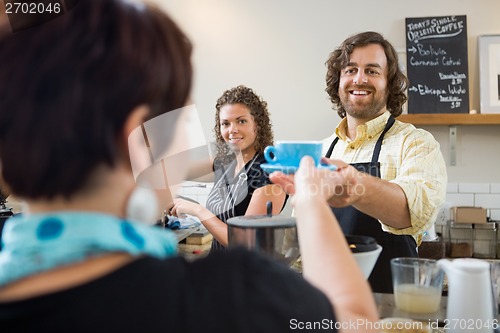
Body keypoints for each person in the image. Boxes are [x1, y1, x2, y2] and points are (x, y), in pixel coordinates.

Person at [0, 1, 379, 332]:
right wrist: (313, 199)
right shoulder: (235, 300)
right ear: (132, 131)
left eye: (240, 122)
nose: (228, 131)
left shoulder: (263, 167)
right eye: (185, 118)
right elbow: (358, 321)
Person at [272, 31, 447, 294]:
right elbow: (301, 238)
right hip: (322, 303)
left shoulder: (414, 143)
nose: (360, 78)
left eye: (372, 71)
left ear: (389, 82)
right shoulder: (319, 150)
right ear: (339, 81)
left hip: (387, 308)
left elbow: (413, 211)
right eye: (351, 69)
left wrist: (352, 184)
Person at [169, 85, 288, 252]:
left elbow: (245, 243)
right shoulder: (226, 163)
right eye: (225, 123)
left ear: (257, 124)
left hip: (247, 275)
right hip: (220, 270)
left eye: (241, 121)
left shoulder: (270, 173)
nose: (232, 130)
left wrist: (197, 210)